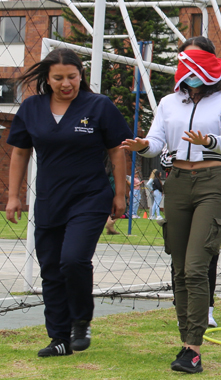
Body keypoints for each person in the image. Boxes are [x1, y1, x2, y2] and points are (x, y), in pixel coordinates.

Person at [121, 36, 221, 374]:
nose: (189, 70)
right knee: (178, 267)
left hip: (211, 182)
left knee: (195, 267)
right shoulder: (168, 102)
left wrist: (210, 141)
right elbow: (158, 140)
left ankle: (194, 348)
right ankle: (184, 339)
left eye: (195, 62)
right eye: (184, 62)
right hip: (176, 183)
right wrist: (144, 145)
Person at [5, 48, 131, 357]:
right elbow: (20, 152)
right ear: (47, 79)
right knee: (50, 268)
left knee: (73, 260)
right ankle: (59, 338)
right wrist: (12, 196)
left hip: (90, 196)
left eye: (72, 77)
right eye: (58, 78)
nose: (66, 83)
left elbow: (117, 149)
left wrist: (120, 193)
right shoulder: (31, 108)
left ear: (81, 75)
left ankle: (81, 321)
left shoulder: (99, 106)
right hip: (49, 199)